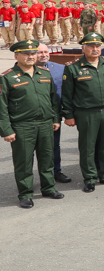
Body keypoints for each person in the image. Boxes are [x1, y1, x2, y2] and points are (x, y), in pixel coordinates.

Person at [0, 39, 63, 208]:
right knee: (24, 162)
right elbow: (2, 106)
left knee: (47, 158)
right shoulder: (7, 77)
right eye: (26, 53)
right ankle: (25, 193)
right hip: (22, 126)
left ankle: (49, 187)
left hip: (45, 124)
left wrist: (55, 118)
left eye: (33, 53)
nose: (30, 56)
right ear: (16, 55)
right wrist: (6, 130)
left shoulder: (45, 74)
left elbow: (53, 100)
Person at [62, 33, 104, 192]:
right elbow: (67, 95)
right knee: (88, 146)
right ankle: (89, 178)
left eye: (97, 46)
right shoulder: (72, 67)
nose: (95, 49)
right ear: (83, 48)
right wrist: (68, 115)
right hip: (86, 112)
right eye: (91, 46)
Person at [35, 44, 70, 184]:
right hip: (31, 117)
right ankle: (31, 177)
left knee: (54, 146)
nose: (43, 54)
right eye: (39, 52)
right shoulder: (23, 71)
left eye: (45, 51)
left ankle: (56, 171)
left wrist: (66, 113)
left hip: (53, 116)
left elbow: (66, 92)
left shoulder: (60, 69)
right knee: (30, 150)